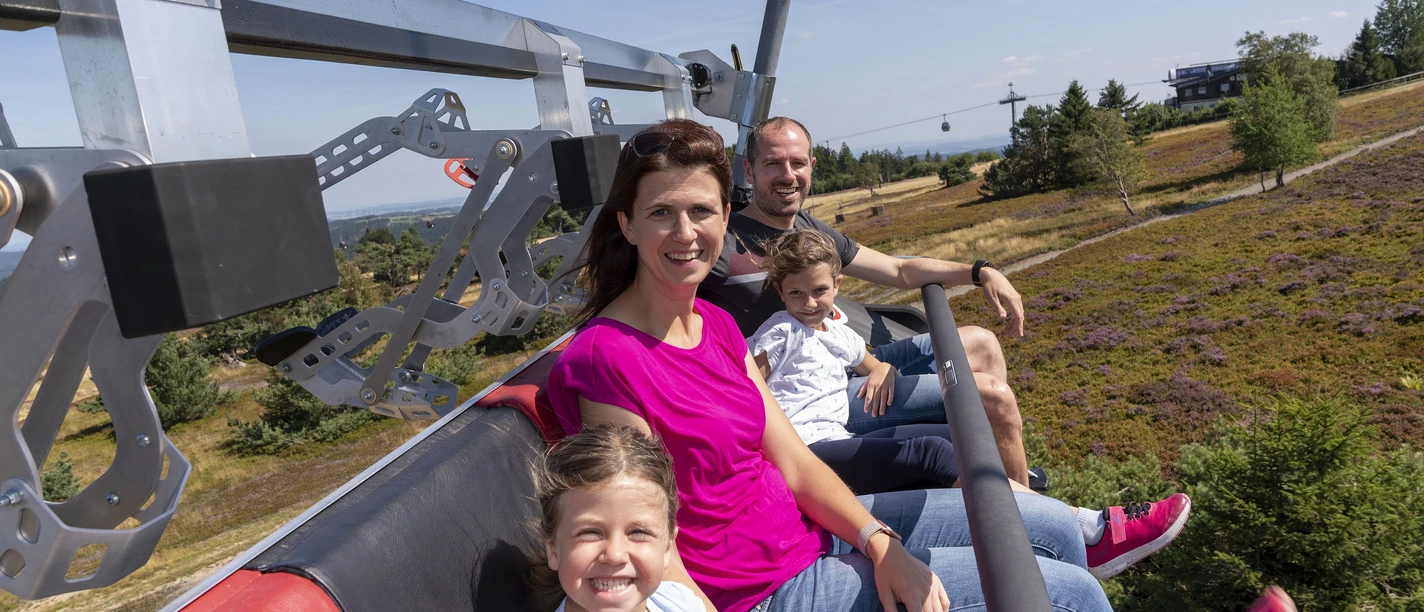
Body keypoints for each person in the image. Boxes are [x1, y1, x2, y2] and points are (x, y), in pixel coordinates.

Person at [548, 118, 1112, 612]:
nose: (685, 233)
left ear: (725, 216)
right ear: (626, 224)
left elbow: (792, 460)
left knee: (1054, 526)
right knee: (1070, 596)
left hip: (805, 535)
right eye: (661, 213)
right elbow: (642, 534)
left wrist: (878, 540)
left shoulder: (715, 328)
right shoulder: (607, 360)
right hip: (758, 590)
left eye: (701, 211)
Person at [749, 228, 1191, 578]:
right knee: (933, 452)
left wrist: (881, 370)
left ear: (836, 285)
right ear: (780, 292)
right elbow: (746, 383)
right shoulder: (781, 331)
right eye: (795, 294)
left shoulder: (837, 331)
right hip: (806, 452)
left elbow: (869, 363)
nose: (808, 304)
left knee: (954, 435)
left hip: (835, 436)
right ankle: (1087, 530)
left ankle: (1034, 525)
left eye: (819, 291)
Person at [697, 116, 1032, 486]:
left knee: (982, 342)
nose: (787, 175)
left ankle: (1002, 469)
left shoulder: (807, 228)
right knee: (991, 397)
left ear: (812, 166)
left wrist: (979, 271)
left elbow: (897, 271)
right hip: (813, 390)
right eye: (772, 163)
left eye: (797, 163)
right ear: (749, 169)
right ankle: (1025, 521)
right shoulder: (724, 245)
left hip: (846, 356)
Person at [532, 424, 706, 612]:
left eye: (638, 532)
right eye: (590, 532)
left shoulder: (680, 602)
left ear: (666, 548)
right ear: (553, 550)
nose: (615, 555)